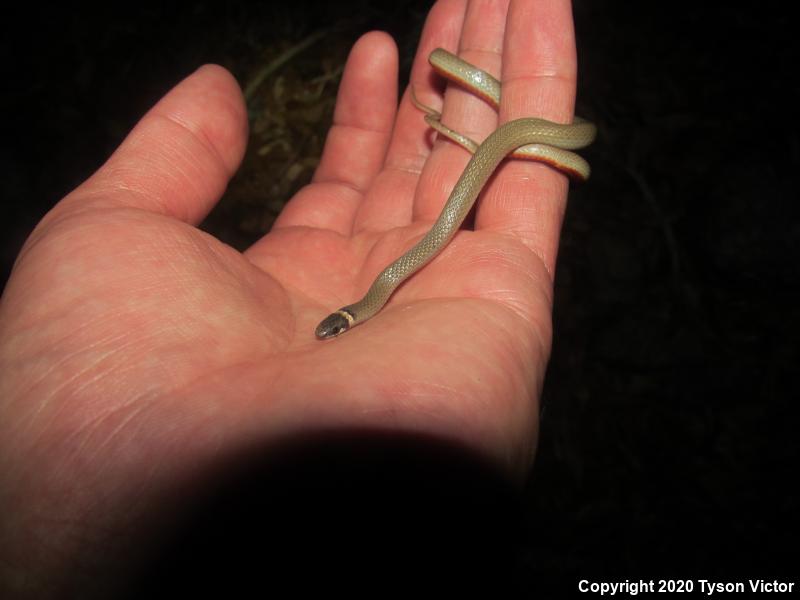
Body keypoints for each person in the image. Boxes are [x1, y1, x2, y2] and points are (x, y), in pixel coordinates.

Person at [0, 0, 583, 596]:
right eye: (341, 326)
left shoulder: (384, 284)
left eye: (339, 326)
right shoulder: (377, 294)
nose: (333, 331)